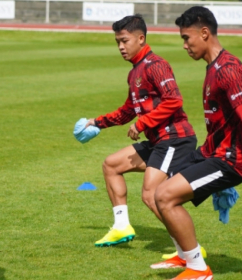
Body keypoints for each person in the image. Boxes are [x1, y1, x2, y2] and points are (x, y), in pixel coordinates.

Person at [153, 6, 242, 280]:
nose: (184, 45)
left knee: (164, 196)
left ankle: (198, 269)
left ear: (205, 33)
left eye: (187, 38)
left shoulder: (228, 69)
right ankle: (186, 256)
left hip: (231, 161)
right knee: (156, 190)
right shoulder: (214, 67)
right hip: (214, 152)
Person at [85, 14, 198, 251]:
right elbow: (128, 110)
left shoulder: (156, 65)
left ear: (141, 38)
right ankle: (121, 226)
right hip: (159, 141)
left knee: (151, 195)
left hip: (175, 139)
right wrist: (96, 122)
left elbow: (174, 100)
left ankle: (188, 250)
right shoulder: (134, 72)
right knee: (111, 165)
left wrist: (142, 123)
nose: (120, 47)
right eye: (117, 42)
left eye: (124, 41)